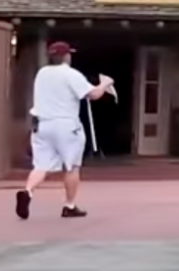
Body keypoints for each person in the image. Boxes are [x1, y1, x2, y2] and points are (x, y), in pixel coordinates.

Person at [18, 40, 115, 220]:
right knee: (71, 166)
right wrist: (104, 84)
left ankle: (27, 191)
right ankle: (69, 205)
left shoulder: (42, 73)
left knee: (41, 165)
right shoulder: (71, 74)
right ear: (66, 56)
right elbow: (93, 95)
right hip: (66, 125)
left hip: (42, 124)